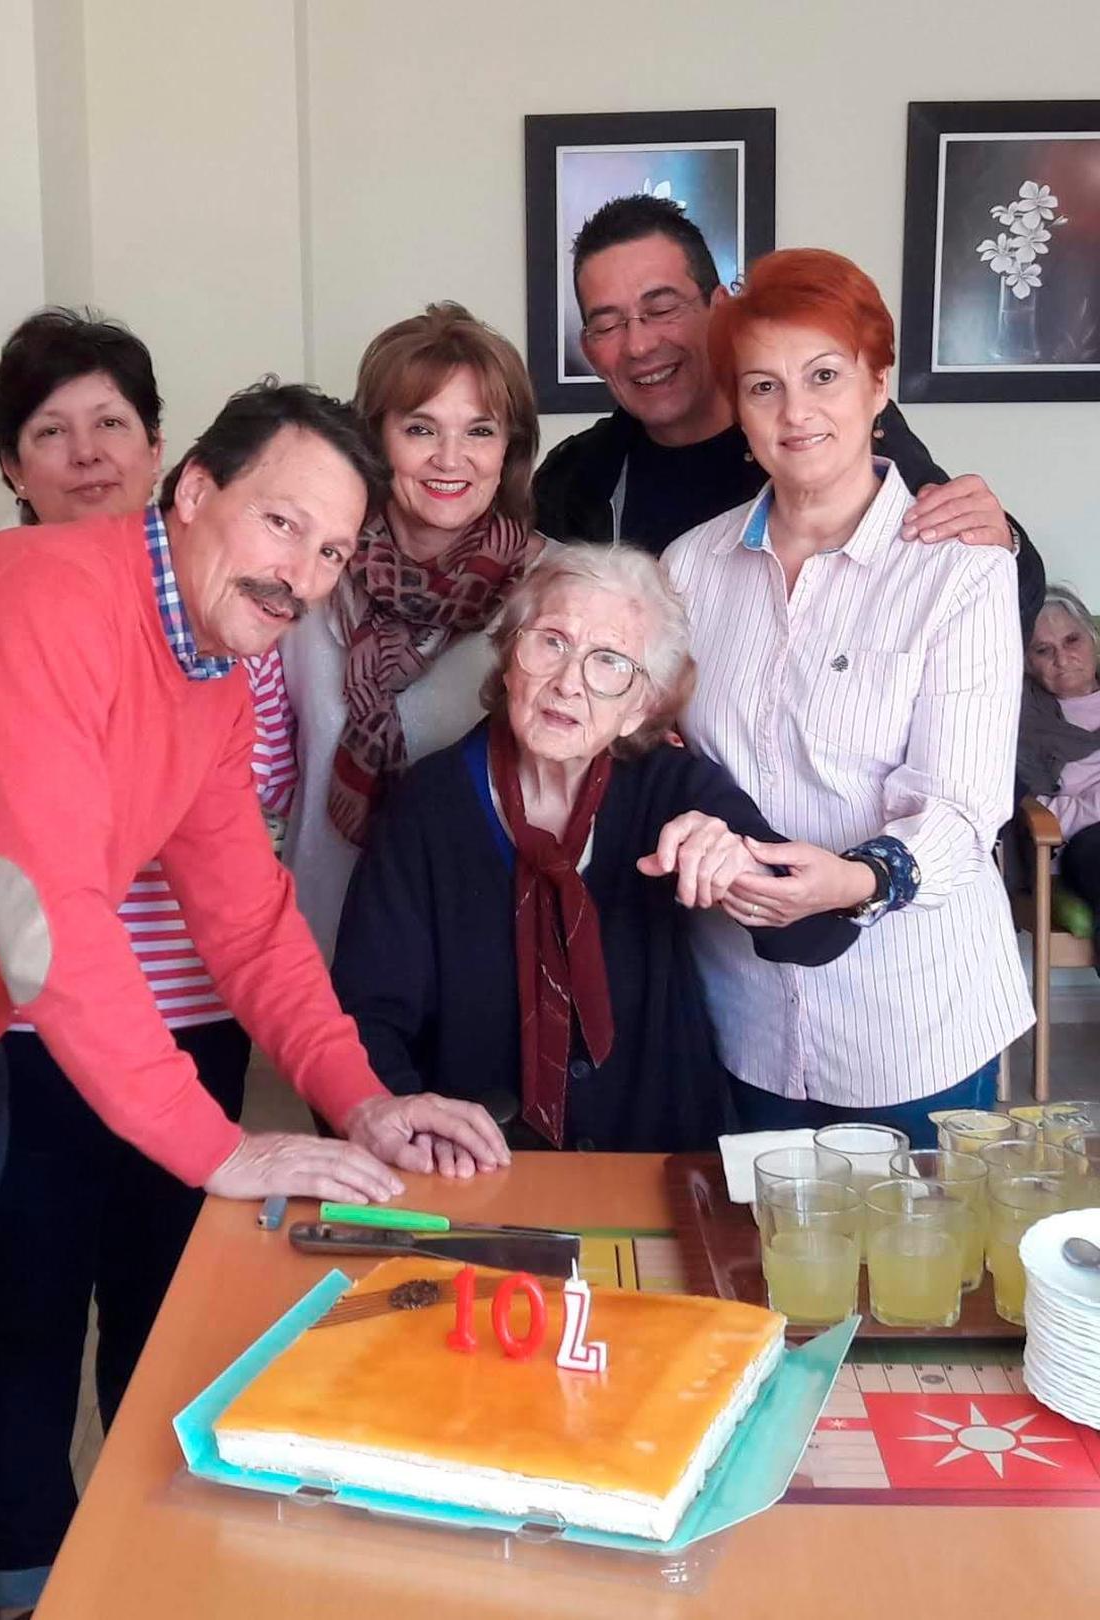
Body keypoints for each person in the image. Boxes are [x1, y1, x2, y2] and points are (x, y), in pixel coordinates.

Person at [0, 379, 509, 1620]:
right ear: (193, 492)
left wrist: (363, 1100)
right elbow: (45, 915)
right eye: (285, 524)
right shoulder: (49, 597)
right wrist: (213, 1147)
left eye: (335, 550)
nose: (307, 574)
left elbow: (247, 922)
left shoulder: (215, 675)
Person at [0, 310, 289, 1620]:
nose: (87, 455)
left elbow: (254, 831)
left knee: (170, 1312)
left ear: (163, 453)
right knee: (24, 1310)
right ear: (9, 465)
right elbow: (31, 877)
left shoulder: (240, 618)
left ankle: (157, 1563)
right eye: (52, 432)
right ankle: (31, 1567)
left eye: (113, 426)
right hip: (28, 1036)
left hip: (195, 1022)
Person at [661, 248, 1034, 1147]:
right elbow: (671, 759)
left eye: (824, 375)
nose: (796, 413)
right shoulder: (688, 569)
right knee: (764, 1266)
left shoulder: (960, 567)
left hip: (912, 1014)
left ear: (877, 385)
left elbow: (962, 804)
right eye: (762, 387)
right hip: (744, 1008)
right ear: (737, 411)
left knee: (919, 1278)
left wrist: (859, 880)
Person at [332, 545, 858, 1152]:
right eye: (551, 641)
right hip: (477, 1162)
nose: (567, 683)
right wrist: (411, 1126)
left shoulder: (672, 787)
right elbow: (366, 1010)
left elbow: (817, 937)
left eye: (609, 662)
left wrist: (744, 870)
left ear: (641, 707)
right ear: (508, 659)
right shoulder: (430, 802)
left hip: (659, 1159)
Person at [533, 194, 1045, 634]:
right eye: (608, 324)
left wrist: (1003, 542)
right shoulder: (576, 478)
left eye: (662, 309)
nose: (640, 344)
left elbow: (984, 586)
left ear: (719, 308)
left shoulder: (823, 436)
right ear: (588, 348)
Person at [280, 302, 543, 958]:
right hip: (325, 949)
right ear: (375, 438)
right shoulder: (307, 582)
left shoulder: (557, 591)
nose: (450, 459)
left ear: (508, 447)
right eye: (420, 428)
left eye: (480, 431)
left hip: (488, 957)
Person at [1018, 586, 1100, 955]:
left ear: (1093, 640)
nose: (1062, 658)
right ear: (1026, 662)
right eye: (1043, 650)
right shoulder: (1021, 722)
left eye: (1072, 640)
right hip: (1085, 844)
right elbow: (1037, 810)